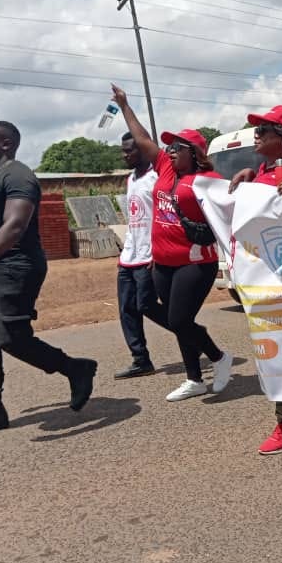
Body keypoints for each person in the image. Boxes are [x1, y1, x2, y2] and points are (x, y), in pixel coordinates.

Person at [0, 121, 97, 437]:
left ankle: (75, 368)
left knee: (12, 338)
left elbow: (15, 224)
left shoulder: (18, 175)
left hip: (16, 266)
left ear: (5, 144)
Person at [113, 85, 233, 403]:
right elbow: (143, 140)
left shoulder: (210, 180)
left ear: (194, 152)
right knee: (179, 322)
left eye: (178, 147)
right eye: (171, 147)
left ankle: (219, 357)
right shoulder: (165, 169)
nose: (171, 151)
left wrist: (246, 177)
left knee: (179, 319)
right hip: (162, 262)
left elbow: (235, 206)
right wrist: (125, 106)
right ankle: (194, 378)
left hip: (195, 263)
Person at [228, 106, 282, 455]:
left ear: (281, 138)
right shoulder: (263, 171)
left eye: (263, 130)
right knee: (279, 349)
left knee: (280, 350)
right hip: (258, 280)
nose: (256, 134)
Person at [114, 131, 169, 379]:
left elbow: (166, 216)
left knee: (145, 305)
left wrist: (160, 249)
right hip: (129, 255)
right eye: (123, 150)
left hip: (150, 255)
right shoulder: (130, 179)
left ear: (143, 150)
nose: (124, 154)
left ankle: (189, 331)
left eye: (129, 150)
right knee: (127, 308)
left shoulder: (157, 178)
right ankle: (141, 359)